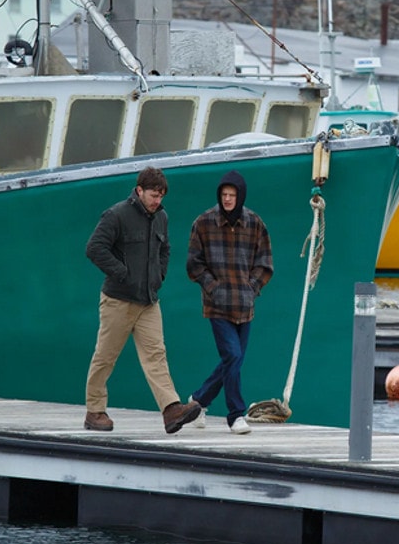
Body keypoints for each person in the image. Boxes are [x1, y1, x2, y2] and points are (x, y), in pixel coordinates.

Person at [83, 166, 201, 433]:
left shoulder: (162, 218)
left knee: (156, 355)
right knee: (105, 357)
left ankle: (171, 410)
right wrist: (122, 273)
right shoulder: (117, 215)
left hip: (148, 301)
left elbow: (165, 249)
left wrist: (158, 275)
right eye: (153, 195)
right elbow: (94, 248)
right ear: (139, 190)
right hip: (118, 300)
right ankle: (95, 411)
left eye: (161, 196)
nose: (157, 201)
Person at [186, 170, 273, 435]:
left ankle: (198, 402)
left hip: (245, 306)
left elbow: (265, 263)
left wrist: (252, 288)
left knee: (231, 362)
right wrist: (213, 288)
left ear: (240, 196)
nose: (227, 199)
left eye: (232, 195)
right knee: (233, 356)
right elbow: (193, 264)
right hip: (217, 306)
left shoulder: (255, 223)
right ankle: (236, 415)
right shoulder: (203, 222)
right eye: (224, 195)